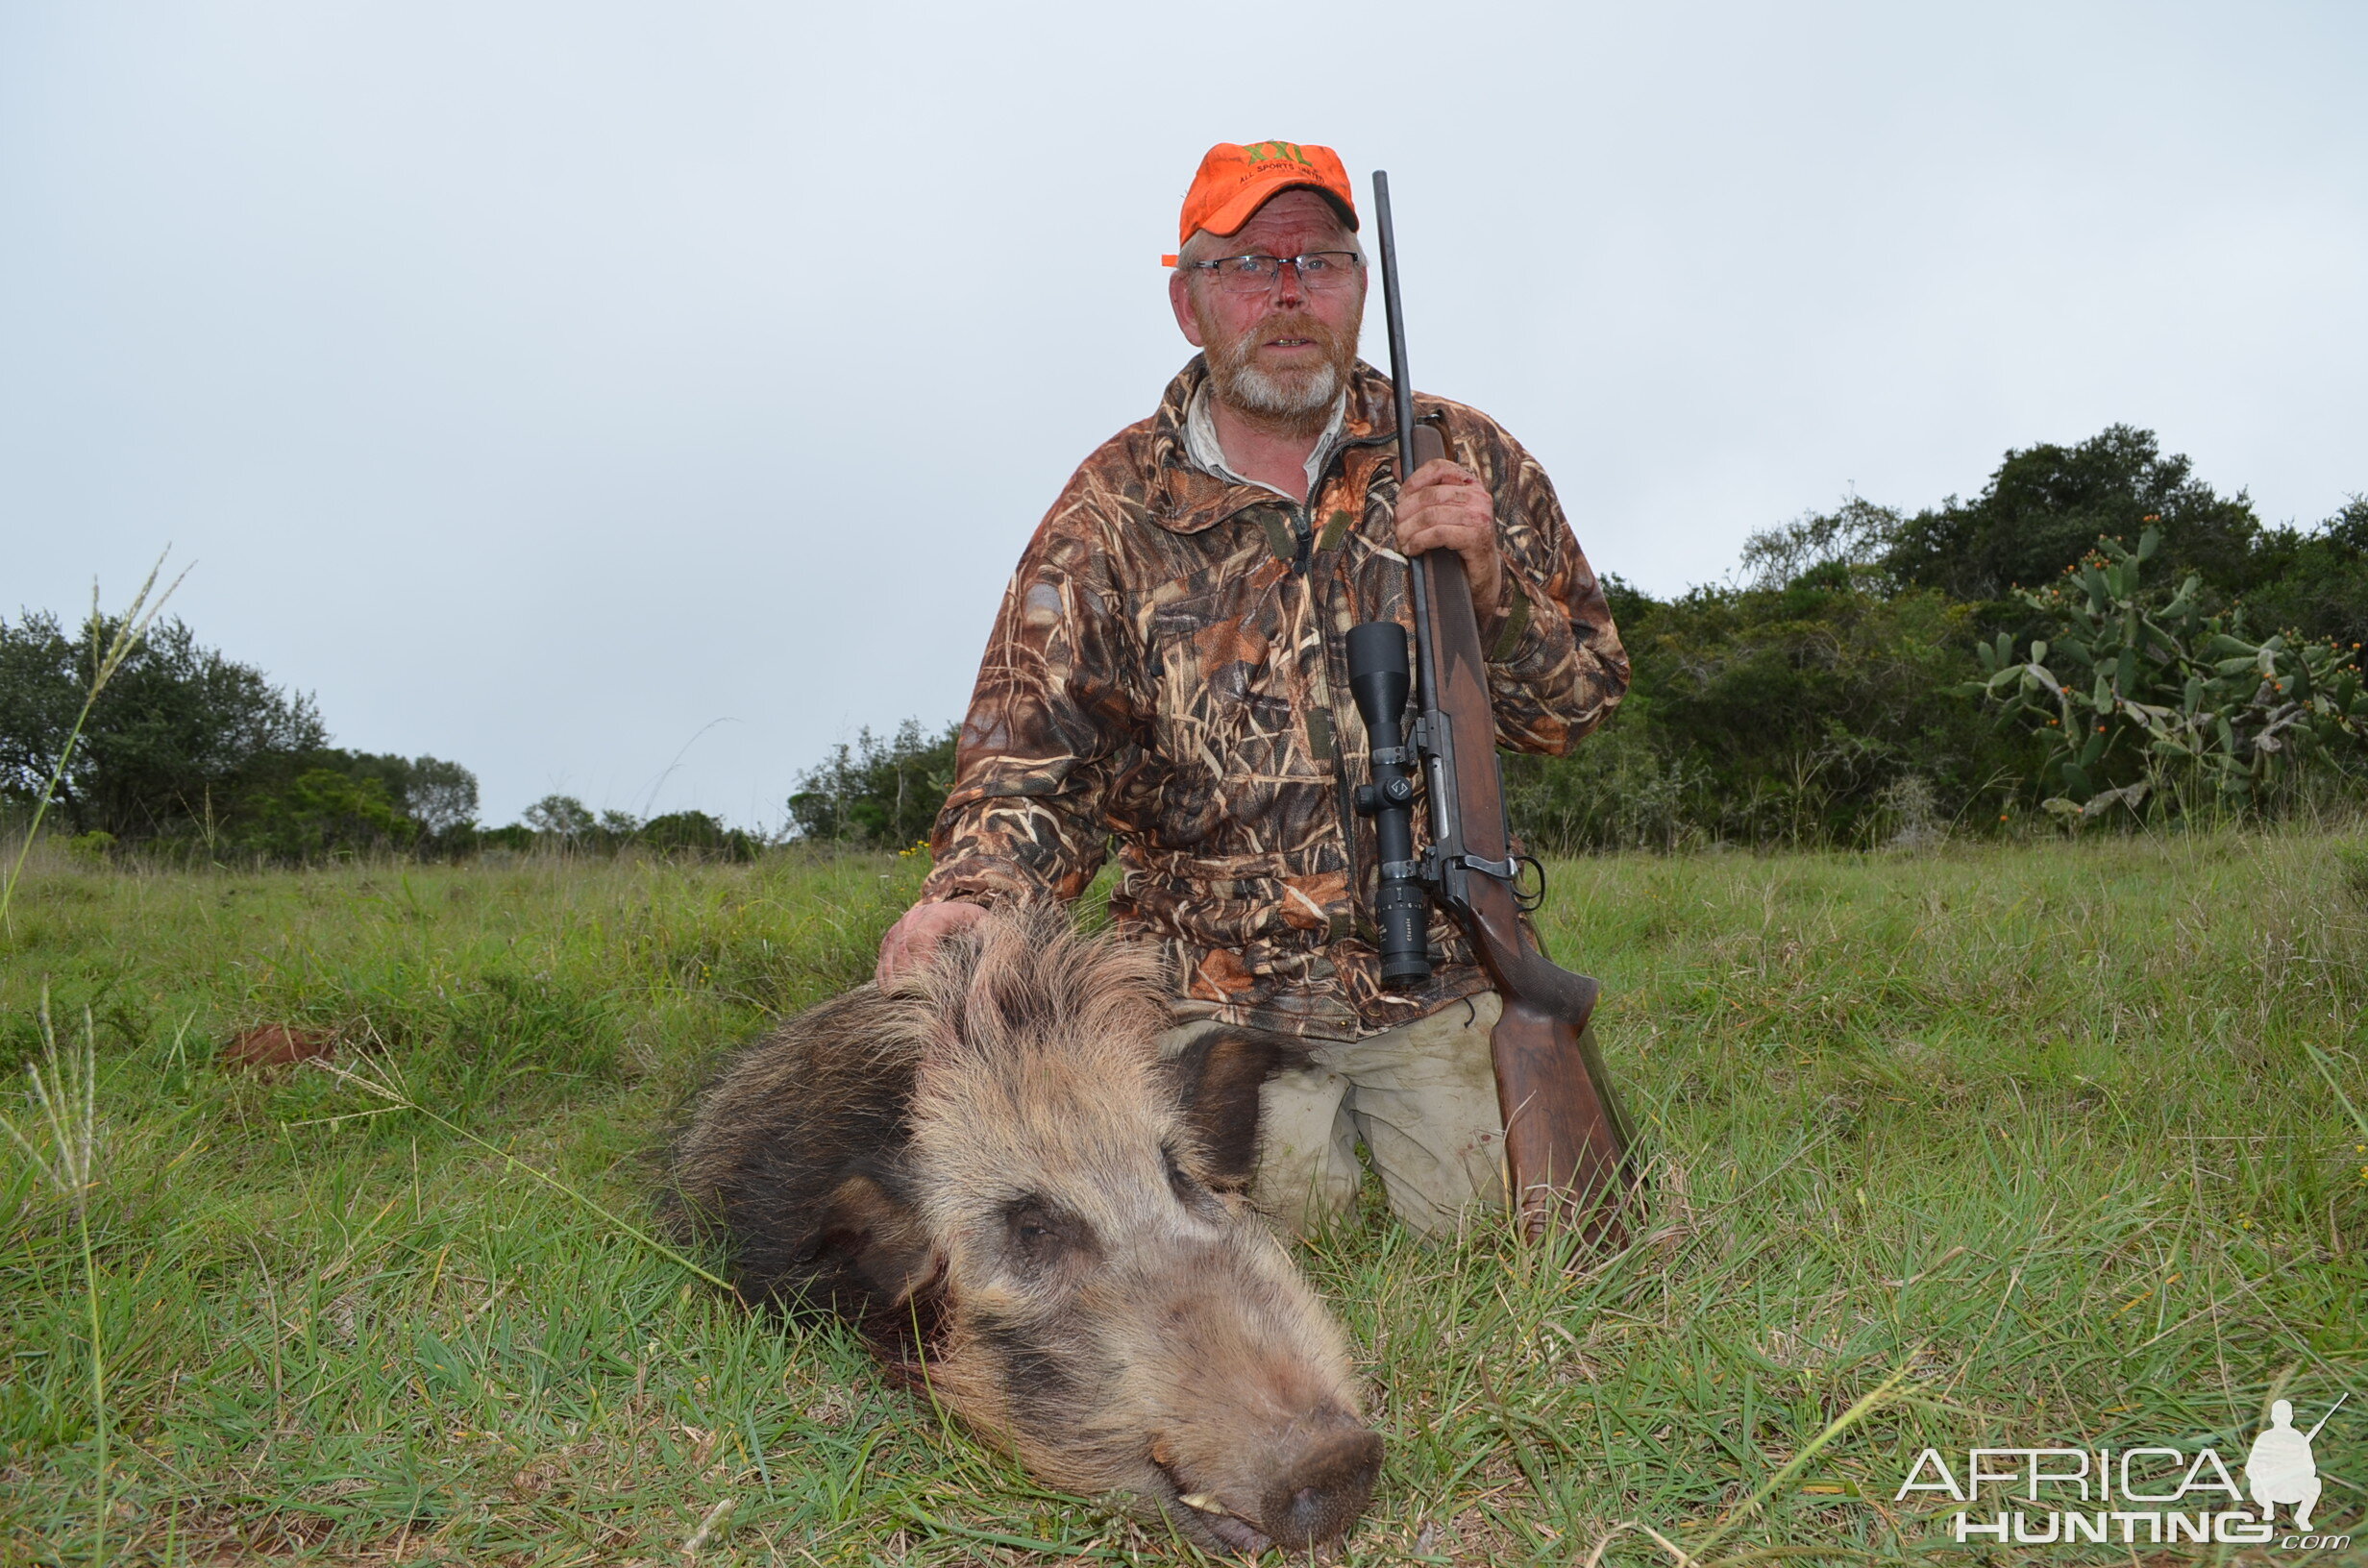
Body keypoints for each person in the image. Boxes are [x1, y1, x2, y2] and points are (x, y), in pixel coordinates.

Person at [876, 139, 1628, 1237]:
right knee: (1265, 1227)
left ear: (1358, 291)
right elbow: (1030, 763)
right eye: (1246, 265)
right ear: (1188, 303)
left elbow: (1582, 702)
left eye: (1317, 262)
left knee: (1509, 1225)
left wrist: (1491, 588)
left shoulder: (1463, 458)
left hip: (1440, 974)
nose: (1287, 294)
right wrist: (973, 900)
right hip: (1203, 987)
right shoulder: (1109, 511)